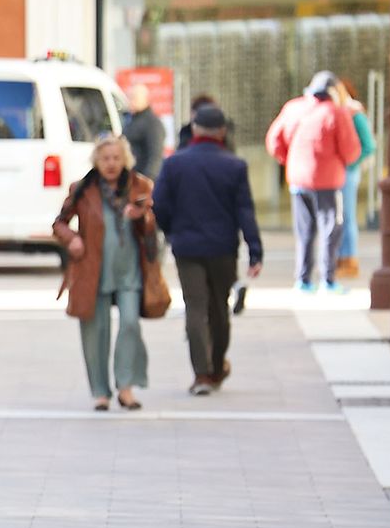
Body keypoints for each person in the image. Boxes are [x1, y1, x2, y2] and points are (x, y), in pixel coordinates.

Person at [153, 105, 263, 396]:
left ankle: (201, 374)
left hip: (187, 246)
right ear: (222, 132)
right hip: (222, 248)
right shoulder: (234, 165)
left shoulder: (175, 164)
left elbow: (159, 205)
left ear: (195, 128)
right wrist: (255, 250)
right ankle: (216, 368)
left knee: (195, 307)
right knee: (219, 309)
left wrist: (172, 231)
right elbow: (245, 211)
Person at [53, 134, 159, 412]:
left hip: (129, 270)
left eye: (116, 158)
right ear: (96, 161)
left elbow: (153, 227)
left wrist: (143, 217)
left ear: (125, 159)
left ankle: (126, 387)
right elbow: (59, 223)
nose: (111, 164)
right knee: (95, 331)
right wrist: (72, 239)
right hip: (93, 270)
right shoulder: (83, 189)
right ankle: (100, 391)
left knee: (130, 325)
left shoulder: (140, 185)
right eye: (105, 158)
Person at [265, 71, 362, 294]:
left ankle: (303, 280)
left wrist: (288, 159)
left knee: (304, 231)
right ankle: (328, 280)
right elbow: (351, 150)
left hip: (298, 179)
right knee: (331, 229)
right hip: (328, 181)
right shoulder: (336, 113)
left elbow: (273, 141)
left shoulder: (293, 107)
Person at [334, 79, 377, 280]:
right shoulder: (338, 112)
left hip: (349, 172)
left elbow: (369, 145)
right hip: (337, 171)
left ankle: (349, 259)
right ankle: (340, 257)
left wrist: (351, 162)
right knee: (337, 217)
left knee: (347, 216)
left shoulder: (354, 113)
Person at [122, 83, 165, 181]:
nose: (130, 101)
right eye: (128, 97)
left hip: (142, 177)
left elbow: (155, 155)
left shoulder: (152, 123)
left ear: (145, 99)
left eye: (133, 98)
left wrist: (147, 179)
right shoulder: (131, 120)